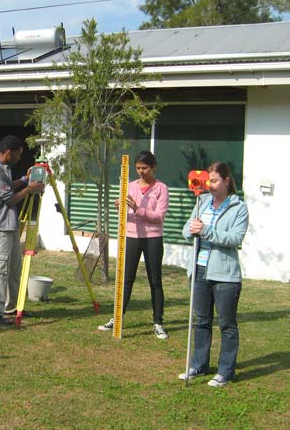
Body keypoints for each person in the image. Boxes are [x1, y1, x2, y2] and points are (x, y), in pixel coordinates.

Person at [179, 162, 249, 388]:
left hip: (225, 275)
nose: (209, 185)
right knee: (201, 321)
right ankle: (199, 364)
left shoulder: (239, 208)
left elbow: (234, 238)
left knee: (227, 324)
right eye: (208, 181)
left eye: (215, 181)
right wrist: (191, 230)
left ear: (227, 181)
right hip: (199, 270)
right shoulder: (202, 201)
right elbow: (186, 229)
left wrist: (206, 231)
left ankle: (225, 371)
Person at [97, 151, 170, 340]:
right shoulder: (129, 186)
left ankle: (158, 322)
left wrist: (138, 209)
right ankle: (117, 318)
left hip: (153, 238)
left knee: (155, 280)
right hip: (132, 236)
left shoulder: (161, 188)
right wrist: (119, 206)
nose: (141, 171)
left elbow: (159, 217)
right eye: (138, 168)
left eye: (144, 168)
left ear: (153, 167)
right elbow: (125, 214)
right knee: (126, 278)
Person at [0, 135, 44, 325]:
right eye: (18, 155)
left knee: (14, 270)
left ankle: (12, 307)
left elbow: (9, 187)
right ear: (8, 152)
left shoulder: (5, 169)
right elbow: (9, 199)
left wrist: (25, 180)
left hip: (11, 227)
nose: (19, 158)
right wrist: (30, 188)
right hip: (0, 228)